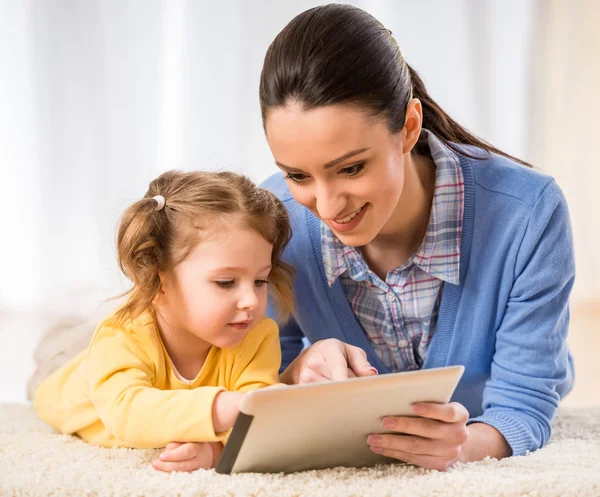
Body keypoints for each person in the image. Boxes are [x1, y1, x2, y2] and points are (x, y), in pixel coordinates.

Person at [259, 4, 575, 471]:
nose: (326, 207)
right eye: (297, 175)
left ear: (408, 128)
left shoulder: (527, 214)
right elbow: (251, 381)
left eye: (351, 168)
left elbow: (523, 403)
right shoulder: (273, 219)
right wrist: (292, 375)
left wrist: (465, 445)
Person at [34, 170, 294, 473]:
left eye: (260, 280)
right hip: (67, 379)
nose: (251, 300)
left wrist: (213, 450)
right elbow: (127, 415)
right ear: (158, 283)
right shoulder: (120, 334)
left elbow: (257, 422)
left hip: (130, 340)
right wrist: (228, 407)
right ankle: (60, 333)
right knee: (61, 350)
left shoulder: (257, 333)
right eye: (226, 282)